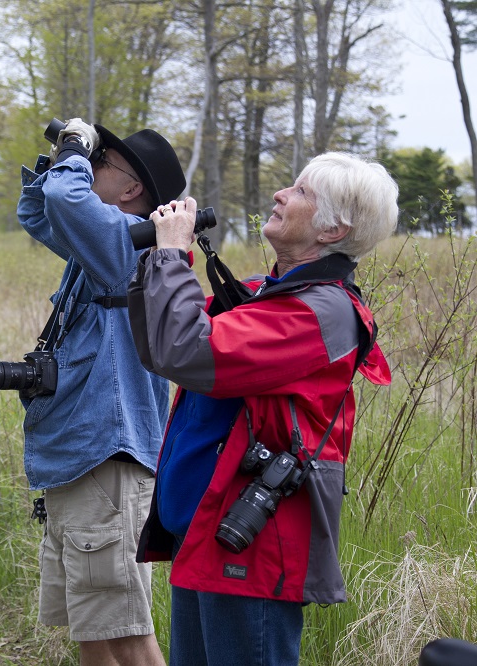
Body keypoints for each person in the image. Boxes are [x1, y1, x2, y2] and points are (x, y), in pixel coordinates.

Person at [126, 152, 398, 666]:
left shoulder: (324, 312)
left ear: (334, 229)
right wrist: (152, 255)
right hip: (202, 531)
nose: (280, 195)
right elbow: (161, 344)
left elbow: (189, 351)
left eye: (300, 192)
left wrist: (171, 256)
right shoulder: (263, 294)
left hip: (251, 545)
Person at [15, 117, 186, 666]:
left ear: (131, 189)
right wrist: (66, 155)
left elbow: (65, 196)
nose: (88, 169)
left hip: (108, 459)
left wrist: (73, 148)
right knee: (94, 628)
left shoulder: (124, 251)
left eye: (100, 163)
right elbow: (38, 210)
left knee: (129, 634)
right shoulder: (102, 247)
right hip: (82, 457)